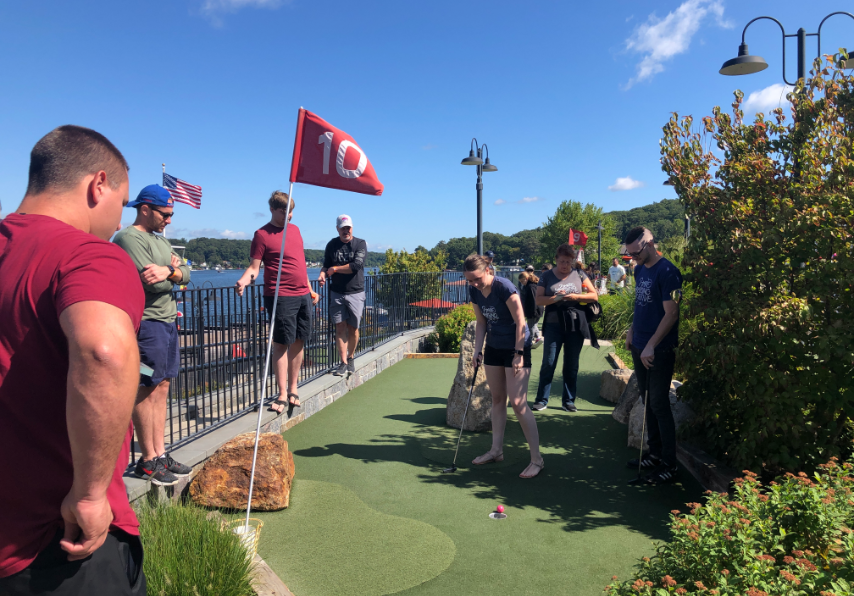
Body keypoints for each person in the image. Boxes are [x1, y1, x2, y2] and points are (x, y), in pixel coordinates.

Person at [0, 125, 146, 593]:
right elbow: (104, 352)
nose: (118, 221)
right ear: (97, 184)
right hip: (57, 542)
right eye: (121, 204)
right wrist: (89, 494)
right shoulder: (87, 256)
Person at [114, 184, 193, 487]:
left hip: (167, 322)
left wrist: (171, 272)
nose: (169, 220)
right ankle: (147, 460)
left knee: (162, 385)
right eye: (165, 214)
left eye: (171, 214)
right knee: (146, 386)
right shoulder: (127, 238)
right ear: (145, 209)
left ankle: (160, 453)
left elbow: (186, 273)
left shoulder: (158, 240)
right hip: (146, 324)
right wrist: (169, 274)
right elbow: (150, 283)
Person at [235, 192, 319, 413]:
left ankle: (294, 388)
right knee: (281, 343)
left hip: (302, 294)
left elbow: (299, 262)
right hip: (280, 295)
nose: (288, 216)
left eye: (291, 211)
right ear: (272, 209)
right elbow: (255, 268)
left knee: (300, 339)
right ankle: (282, 393)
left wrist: (310, 289)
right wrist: (243, 282)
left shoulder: (296, 230)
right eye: (284, 212)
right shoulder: (262, 234)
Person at [465, 254, 543, 478]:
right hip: (494, 346)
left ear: (488, 270)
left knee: (518, 403)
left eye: (477, 279)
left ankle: (537, 459)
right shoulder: (474, 291)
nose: (474, 284)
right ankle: (496, 451)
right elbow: (481, 322)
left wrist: (518, 353)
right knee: (498, 399)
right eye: (469, 280)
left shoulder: (504, 287)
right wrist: (477, 350)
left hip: (517, 345)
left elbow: (520, 320)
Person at [624, 227, 683, 484]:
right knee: (648, 400)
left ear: (649, 244)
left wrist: (651, 345)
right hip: (639, 344)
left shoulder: (668, 272)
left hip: (658, 349)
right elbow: (641, 304)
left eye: (636, 253)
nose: (633, 258)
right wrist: (631, 330)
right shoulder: (639, 270)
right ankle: (655, 453)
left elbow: (671, 313)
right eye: (629, 254)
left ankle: (670, 464)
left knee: (659, 403)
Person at [531, 243, 599, 412]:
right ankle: (541, 399)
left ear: (572, 261)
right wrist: (555, 298)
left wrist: (575, 296)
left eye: (568, 262)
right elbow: (539, 300)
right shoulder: (546, 276)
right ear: (556, 260)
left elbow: (594, 295)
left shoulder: (579, 274)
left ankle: (568, 400)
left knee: (571, 363)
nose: (564, 265)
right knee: (549, 361)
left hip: (575, 324)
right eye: (561, 261)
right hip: (554, 324)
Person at [318, 214, 367, 377]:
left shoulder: (360, 243)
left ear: (352, 228)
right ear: (337, 228)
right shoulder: (331, 245)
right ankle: (343, 362)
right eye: (343, 228)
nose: (346, 231)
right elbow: (326, 265)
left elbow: (356, 266)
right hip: (336, 292)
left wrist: (336, 269)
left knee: (353, 328)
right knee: (340, 327)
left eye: (348, 228)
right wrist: (323, 274)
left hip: (355, 292)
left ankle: (351, 357)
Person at [517, 272, 544, 348]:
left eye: (522, 281)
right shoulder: (530, 286)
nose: (522, 283)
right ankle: (538, 337)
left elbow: (533, 300)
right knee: (534, 324)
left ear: (526, 279)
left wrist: (533, 311)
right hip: (536, 308)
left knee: (530, 326)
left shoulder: (530, 287)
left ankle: (530, 341)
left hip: (534, 309)